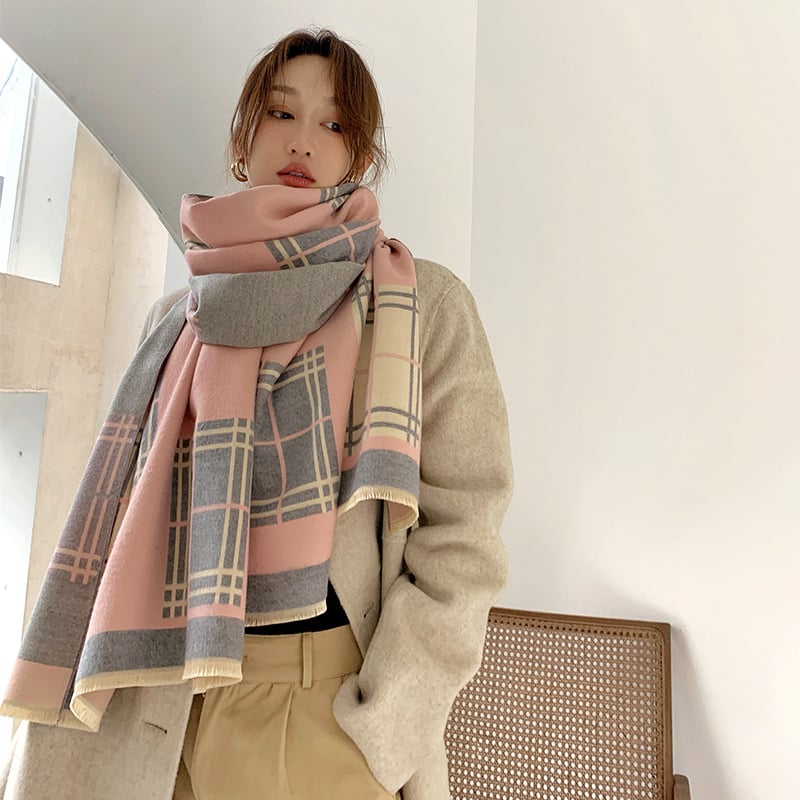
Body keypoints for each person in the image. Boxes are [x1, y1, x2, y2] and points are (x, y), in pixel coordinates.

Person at [0, 27, 512, 800]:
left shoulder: (418, 303)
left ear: (358, 156)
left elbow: (464, 535)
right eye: (281, 112)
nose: (303, 139)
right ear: (245, 137)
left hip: (320, 716)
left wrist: (383, 727)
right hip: (155, 706)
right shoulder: (177, 318)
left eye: (334, 123)